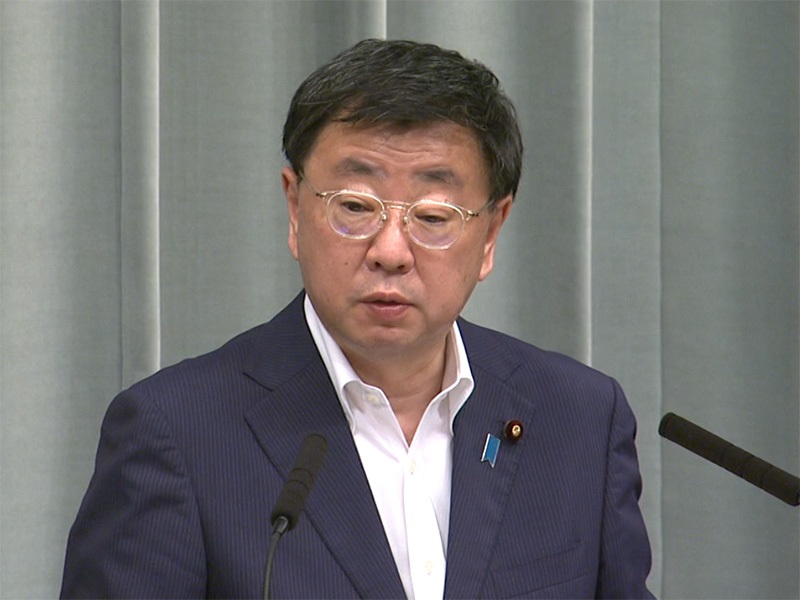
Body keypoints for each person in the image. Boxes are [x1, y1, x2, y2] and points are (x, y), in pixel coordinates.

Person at [60, 39, 654, 599]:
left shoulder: (579, 421)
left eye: (433, 216)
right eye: (355, 207)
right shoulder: (177, 434)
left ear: (491, 231)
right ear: (295, 209)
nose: (390, 251)